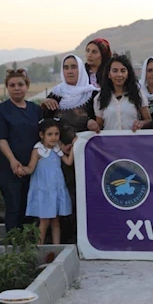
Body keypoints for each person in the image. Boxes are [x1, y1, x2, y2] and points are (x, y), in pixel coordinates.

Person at [41, 54, 98, 243]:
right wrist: (58, 145)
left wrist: (89, 127)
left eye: (74, 67)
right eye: (66, 67)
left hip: (87, 159)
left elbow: (100, 123)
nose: (70, 71)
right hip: (60, 159)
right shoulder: (55, 95)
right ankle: (65, 243)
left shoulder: (93, 95)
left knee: (86, 197)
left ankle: (87, 241)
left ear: (81, 69)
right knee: (63, 199)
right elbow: (44, 126)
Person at [0, 69, 43, 233]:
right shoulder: (0, 110)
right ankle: (14, 243)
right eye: (12, 85)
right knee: (14, 205)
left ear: (27, 86)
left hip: (31, 167)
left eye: (20, 84)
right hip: (8, 167)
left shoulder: (35, 109)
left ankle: (29, 242)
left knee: (30, 207)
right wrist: (13, 161)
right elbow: (1, 138)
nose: (17, 88)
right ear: (7, 88)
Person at [23, 119, 74, 245]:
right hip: (44, 191)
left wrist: (75, 145)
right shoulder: (38, 150)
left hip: (56, 189)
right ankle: (39, 248)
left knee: (55, 221)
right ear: (42, 135)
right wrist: (20, 169)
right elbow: (30, 168)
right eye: (50, 134)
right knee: (44, 221)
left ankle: (56, 247)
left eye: (56, 134)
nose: (54, 137)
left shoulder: (57, 148)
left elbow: (68, 162)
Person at [94, 55, 152, 131]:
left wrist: (141, 123)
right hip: (109, 139)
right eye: (115, 71)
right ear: (109, 74)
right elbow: (99, 126)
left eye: (123, 71)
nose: (119, 75)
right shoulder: (100, 98)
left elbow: (148, 120)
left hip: (133, 138)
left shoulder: (137, 94)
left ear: (128, 74)